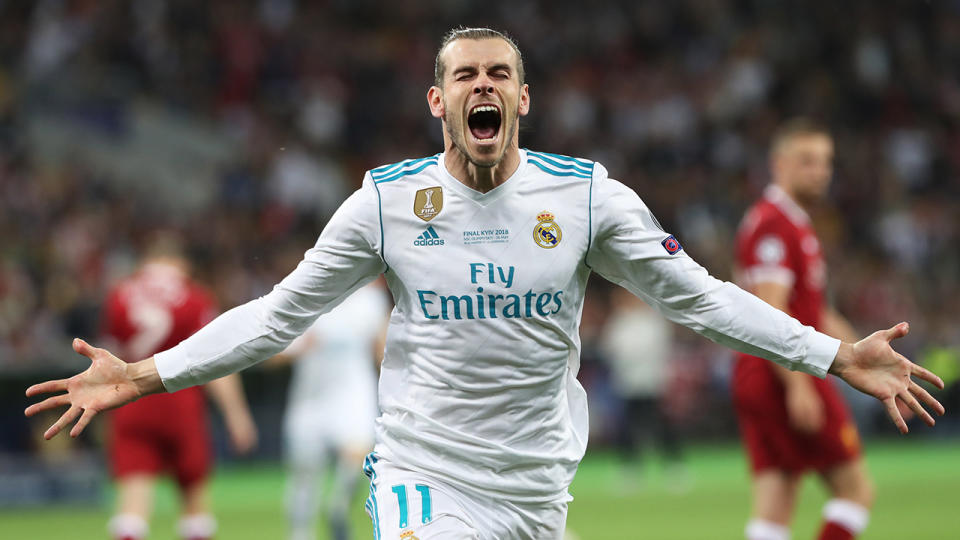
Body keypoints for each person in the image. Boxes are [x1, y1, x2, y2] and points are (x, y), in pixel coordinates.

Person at [26, 28, 944, 540]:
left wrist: (830, 353)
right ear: (439, 103)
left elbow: (700, 297)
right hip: (423, 472)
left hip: (538, 485)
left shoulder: (587, 199)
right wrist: (146, 375)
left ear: (522, 99)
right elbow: (275, 316)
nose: (484, 86)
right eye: (465, 74)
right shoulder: (386, 205)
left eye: (500, 73)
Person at [732, 119, 879, 540]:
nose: (820, 171)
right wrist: (798, 384)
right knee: (856, 491)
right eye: (808, 161)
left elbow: (817, 312)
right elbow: (769, 308)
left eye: (826, 162)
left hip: (763, 370)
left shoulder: (789, 222)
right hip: (783, 372)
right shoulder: (775, 224)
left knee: (775, 503)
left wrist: (871, 360)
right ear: (779, 164)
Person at [98, 236, 258, 540]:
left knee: (132, 502)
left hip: (131, 402)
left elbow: (106, 359)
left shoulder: (120, 295)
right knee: (193, 497)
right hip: (179, 401)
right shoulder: (194, 296)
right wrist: (237, 415)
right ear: (180, 264)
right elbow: (216, 360)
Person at [269, 280, 389, 540]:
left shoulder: (370, 301)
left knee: (358, 453)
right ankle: (300, 534)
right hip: (310, 399)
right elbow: (273, 354)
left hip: (353, 393)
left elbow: (382, 350)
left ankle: (337, 504)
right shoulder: (306, 295)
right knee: (305, 474)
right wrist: (300, 347)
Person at [600, 287, 686, 491]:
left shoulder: (651, 319)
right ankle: (630, 468)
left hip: (652, 381)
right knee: (627, 428)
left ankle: (674, 465)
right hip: (627, 382)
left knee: (660, 424)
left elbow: (658, 346)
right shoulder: (619, 322)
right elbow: (610, 348)